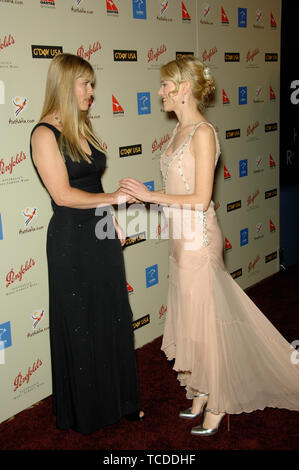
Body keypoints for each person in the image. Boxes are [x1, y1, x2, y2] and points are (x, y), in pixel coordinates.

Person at [120, 56, 299, 436]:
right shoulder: (176, 132)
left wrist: (154, 195)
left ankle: (218, 400)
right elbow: (177, 192)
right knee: (191, 317)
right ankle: (200, 389)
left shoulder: (203, 132)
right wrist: (147, 199)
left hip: (198, 237)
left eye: (166, 85)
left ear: (184, 87)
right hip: (178, 239)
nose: (160, 92)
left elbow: (200, 199)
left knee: (206, 319)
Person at [30, 53, 144, 435]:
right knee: (80, 323)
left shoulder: (83, 125)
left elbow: (91, 185)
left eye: (92, 85)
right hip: (70, 240)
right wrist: (112, 201)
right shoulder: (44, 134)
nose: (92, 92)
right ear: (66, 84)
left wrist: (111, 221)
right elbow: (62, 195)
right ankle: (86, 411)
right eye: (86, 84)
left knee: (113, 315)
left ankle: (123, 400)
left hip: (99, 230)